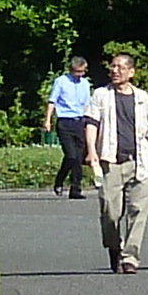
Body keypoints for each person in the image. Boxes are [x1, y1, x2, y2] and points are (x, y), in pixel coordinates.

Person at [91, 50, 148, 274]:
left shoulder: (142, 98)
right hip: (111, 162)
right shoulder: (101, 95)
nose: (115, 70)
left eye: (120, 67)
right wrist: (92, 151)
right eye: (112, 66)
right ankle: (114, 247)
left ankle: (130, 257)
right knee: (110, 212)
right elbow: (91, 124)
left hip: (140, 162)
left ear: (131, 72)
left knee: (138, 211)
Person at [43, 52, 98, 197]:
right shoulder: (61, 81)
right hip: (65, 122)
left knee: (78, 157)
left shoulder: (85, 84)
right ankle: (60, 180)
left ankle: (75, 189)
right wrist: (48, 120)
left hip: (80, 122)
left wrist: (89, 122)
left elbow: (87, 104)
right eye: (77, 72)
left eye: (82, 72)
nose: (80, 75)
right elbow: (52, 101)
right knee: (71, 155)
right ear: (71, 70)